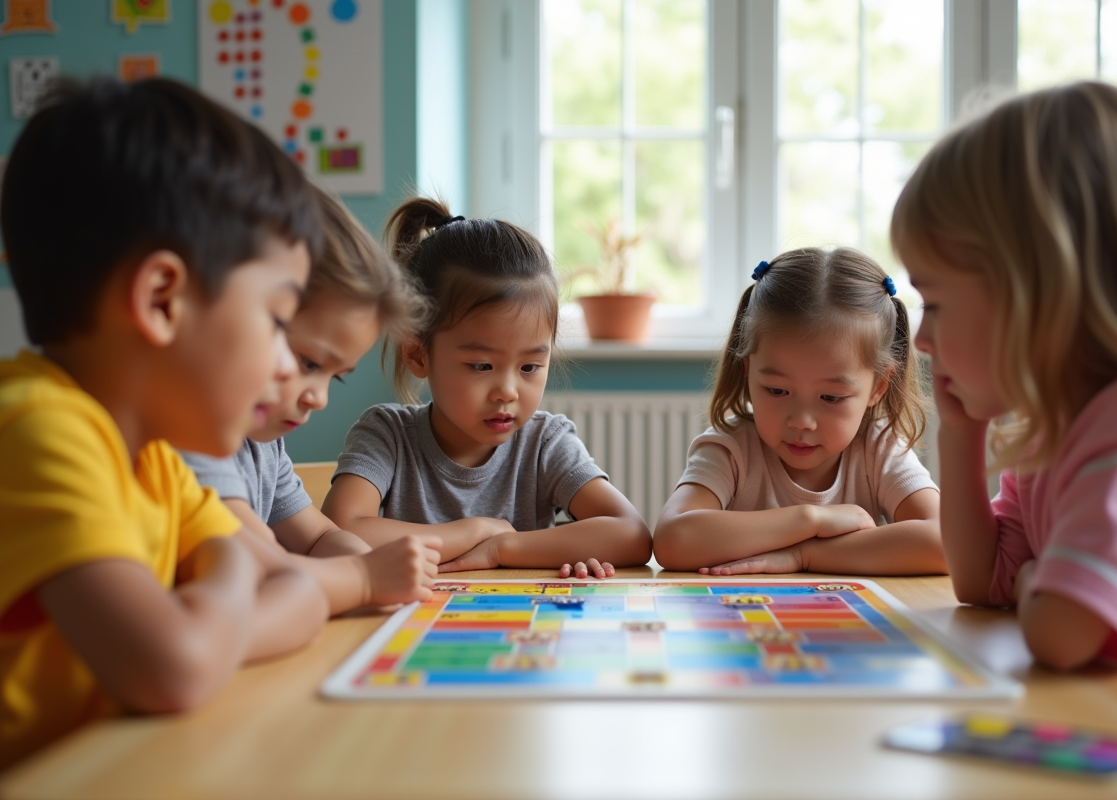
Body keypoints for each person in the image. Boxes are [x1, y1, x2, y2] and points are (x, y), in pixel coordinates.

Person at [0, 77, 329, 768]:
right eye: (275, 321)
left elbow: (300, 597)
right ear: (161, 299)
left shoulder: (153, 460)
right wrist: (230, 579)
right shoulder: (39, 429)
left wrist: (214, 604)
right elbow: (175, 668)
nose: (283, 367)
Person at [892, 81, 1117, 700]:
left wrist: (1038, 581)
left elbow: (1063, 633)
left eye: (937, 304)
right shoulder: (1052, 432)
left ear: (1041, 293)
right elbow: (979, 581)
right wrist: (962, 433)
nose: (922, 339)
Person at [321, 197, 652, 579]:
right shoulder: (388, 435)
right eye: (481, 366)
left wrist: (502, 547)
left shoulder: (545, 442)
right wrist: (474, 531)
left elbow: (632, 535)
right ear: (417, 355)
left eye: (529, 366)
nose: (507, 392)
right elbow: (339, 530)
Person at [182, 188, 441, 616]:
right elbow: (271, 569)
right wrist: (366, 578)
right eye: (307, 362)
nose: (317, 397)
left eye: (334, 378)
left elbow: (318, 537)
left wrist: (370, 564)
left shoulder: (262, 443)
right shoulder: (193, 440)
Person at [654, 247, 944, 576]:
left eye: (832, 398)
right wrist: (811, 519)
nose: (801, 421)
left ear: (877, 387)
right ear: (749, 370)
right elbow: (671, 541)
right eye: (777, 391)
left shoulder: (879, 448)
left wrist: (805, 555)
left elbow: (947, 543)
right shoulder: (730, 448)